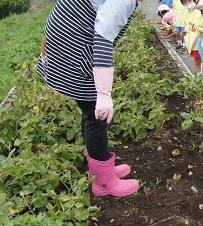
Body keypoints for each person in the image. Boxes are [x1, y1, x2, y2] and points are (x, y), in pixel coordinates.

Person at [37, 0, 139, 197]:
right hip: (72, 49)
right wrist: (103, 93)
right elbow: (102, 38)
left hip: (62, 41)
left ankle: (98, 168)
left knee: (89, 110)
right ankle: (103, 182)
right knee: (97, 116)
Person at [181, 0, 203, 73]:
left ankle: (201, 74)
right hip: (191, 40)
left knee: (201, 59)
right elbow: (187, 27)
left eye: (189, 0)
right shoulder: (187, 12)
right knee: (196, 59)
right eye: (185, 2)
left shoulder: (200, 11)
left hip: (199, 39)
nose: (187, 3)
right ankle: (198, 74)